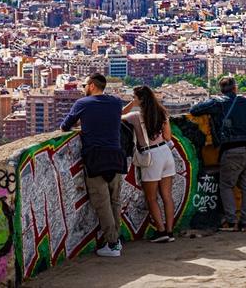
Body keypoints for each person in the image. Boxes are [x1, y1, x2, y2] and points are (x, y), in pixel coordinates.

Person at [60, 73, 127, 257]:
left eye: (84, 85)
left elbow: (64, 127)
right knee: (115, 201)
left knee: (102, 203)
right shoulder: (116, 102)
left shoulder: (83, 103)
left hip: (96, 158)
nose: (83, 88)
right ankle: (116, 241)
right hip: (116, 156)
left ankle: (112, 244)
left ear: (91, 85)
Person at [190, 76, 246, 232]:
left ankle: (231, 222)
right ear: (235, 88)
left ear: (220, 90)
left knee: (226, 185)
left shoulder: (217, 103)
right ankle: (245, 222)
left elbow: (194, 111)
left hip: (232, 148)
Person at [123, 85, 176, 243]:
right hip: (166, 154)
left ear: (139, 99)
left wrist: (132, 103)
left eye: (135, 97)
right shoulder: (162, 113)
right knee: (167, 196)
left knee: (151, 197)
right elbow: (168, 136)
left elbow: (118, 115)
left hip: (151, 155)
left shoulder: (134, 116)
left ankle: (161, 231)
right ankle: (170, 231)